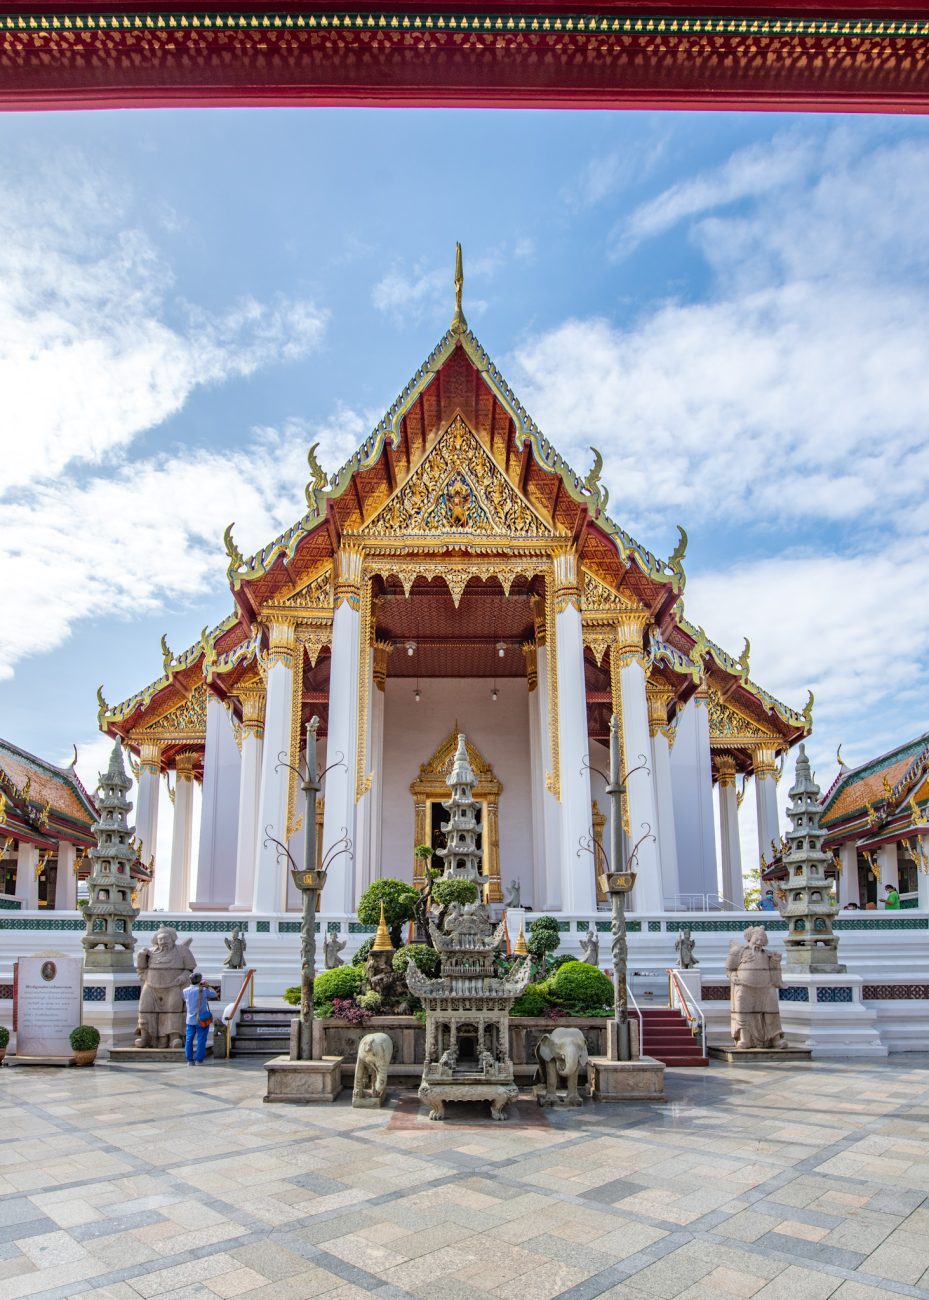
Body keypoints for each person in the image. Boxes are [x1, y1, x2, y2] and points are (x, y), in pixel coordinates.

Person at [182, 971, 219, 1066]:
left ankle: (190, 1060)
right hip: (201, 1019)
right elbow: (215, 994)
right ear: (199, 980)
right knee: (201, 1039)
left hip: (190, 1020)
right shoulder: (203, 990)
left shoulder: (185, 991)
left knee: (189, 1040)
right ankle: (199, 1060)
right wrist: (208, 986)